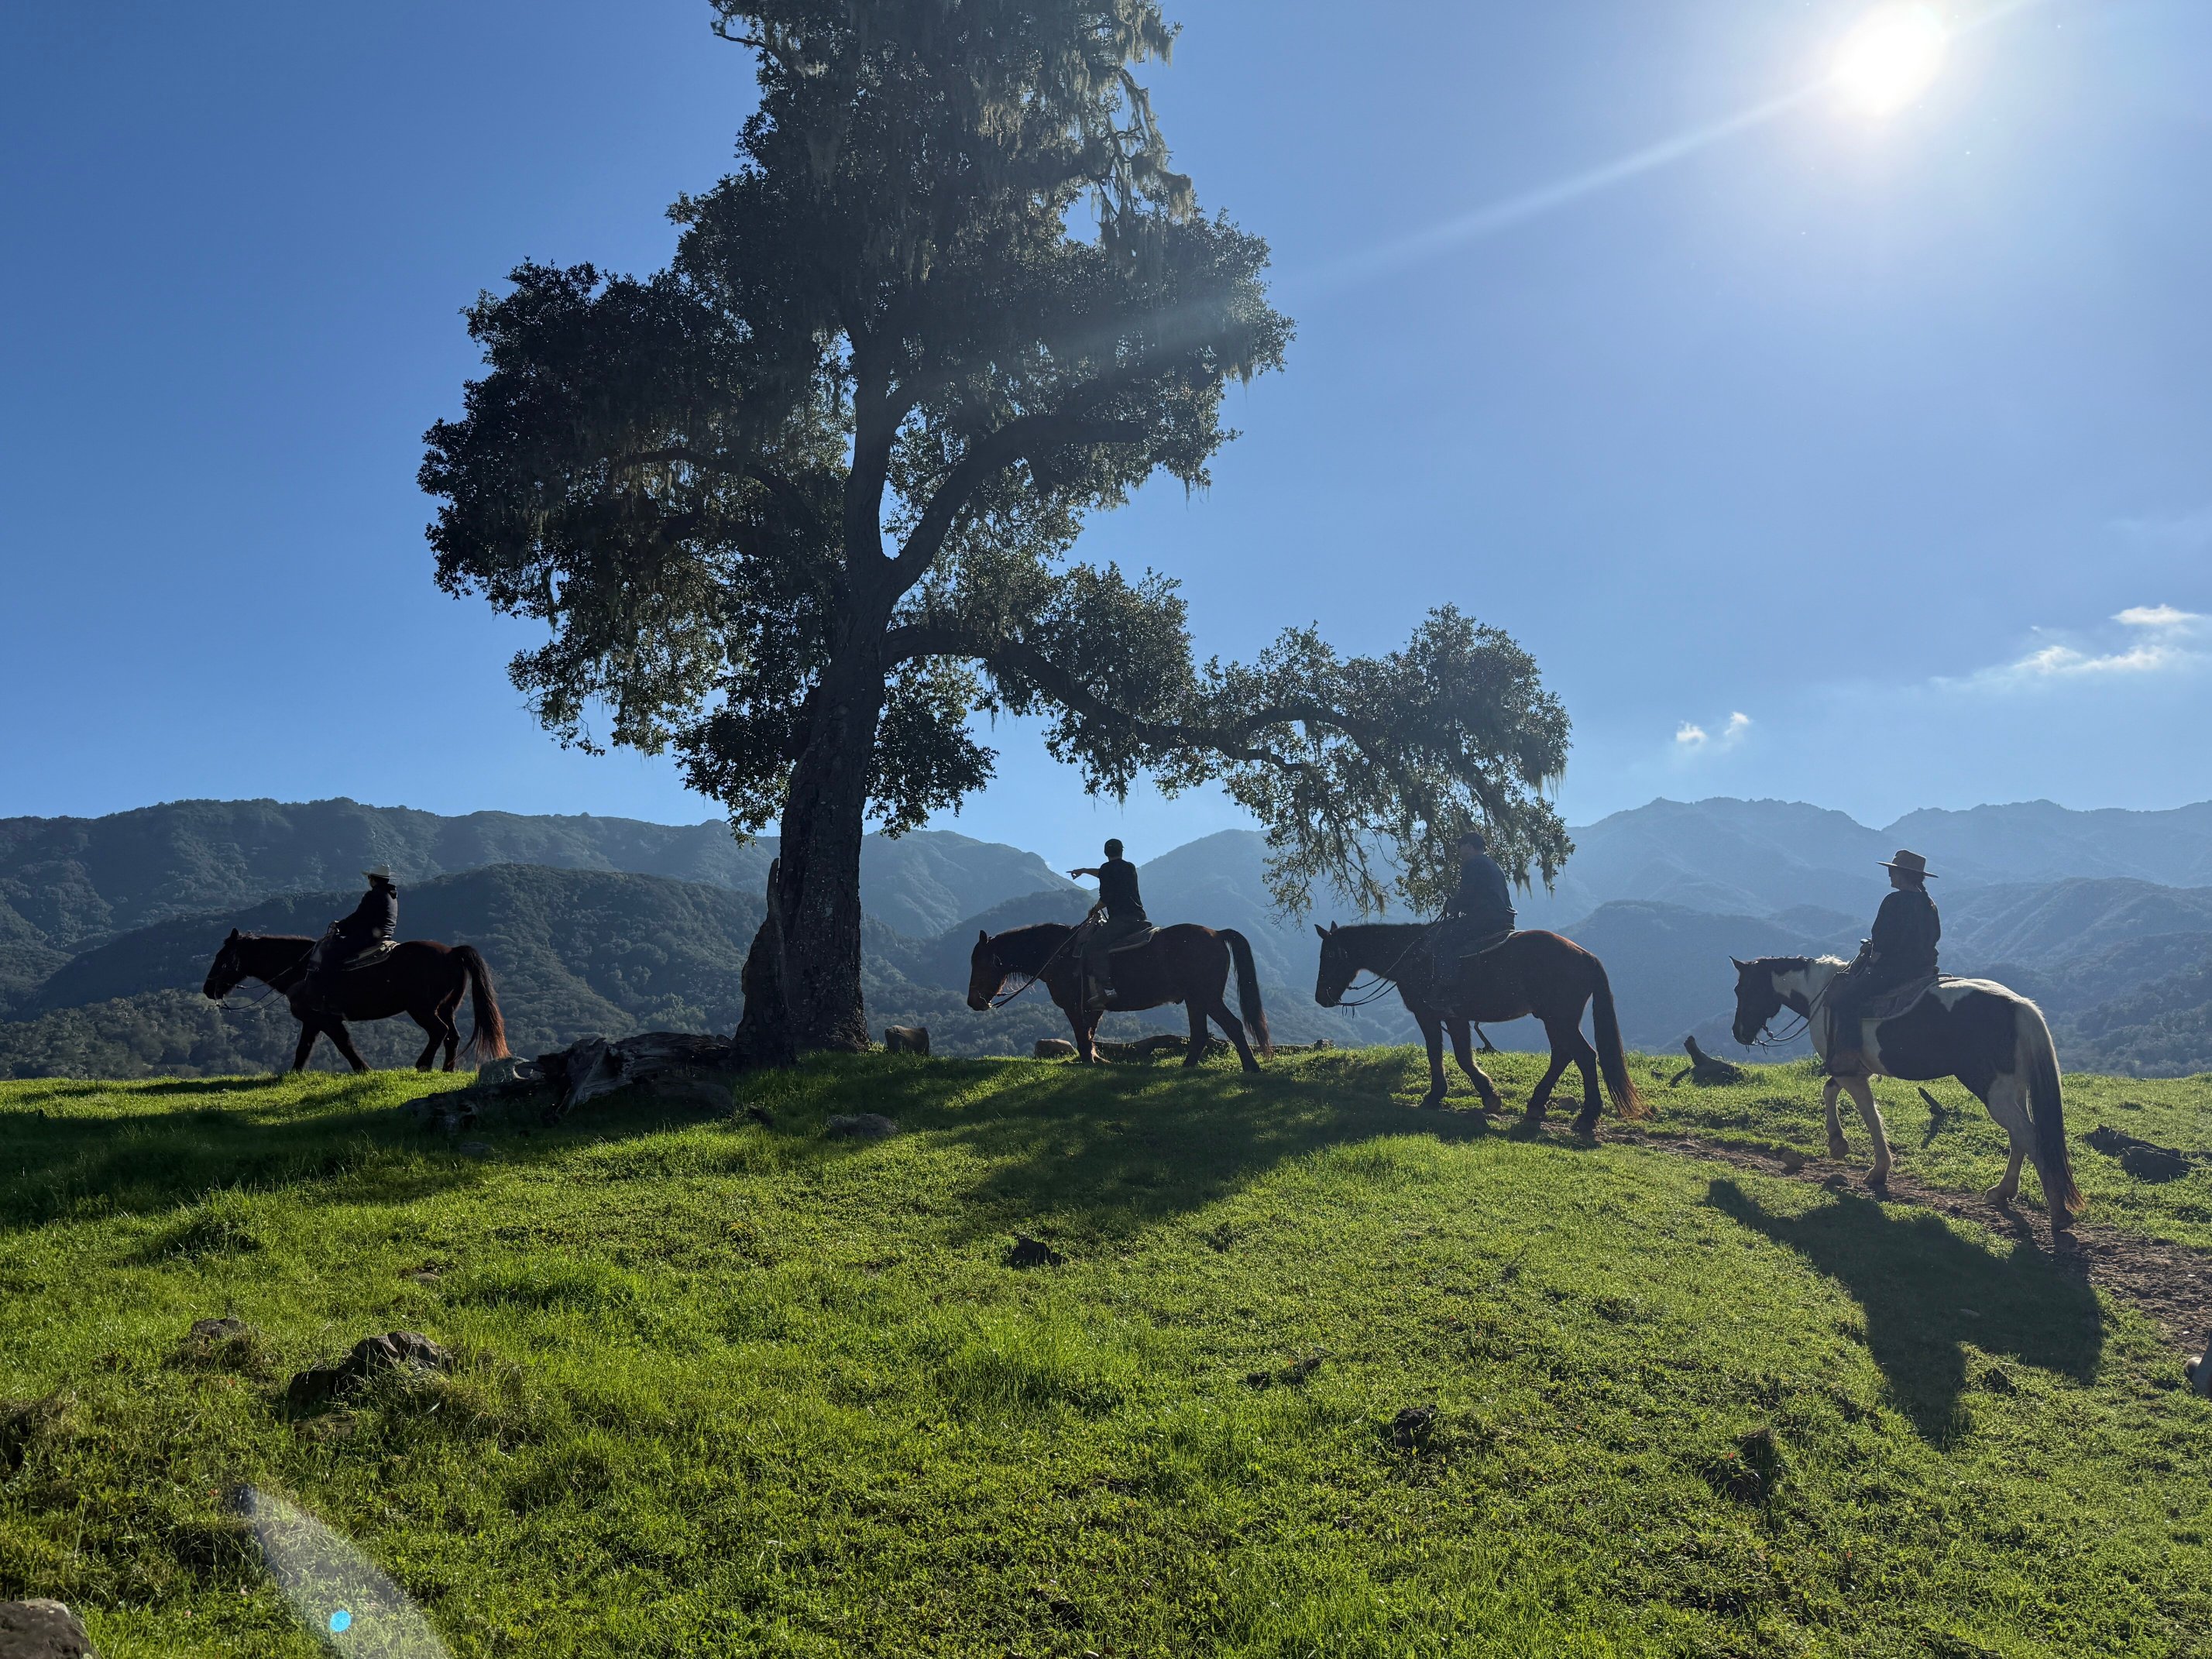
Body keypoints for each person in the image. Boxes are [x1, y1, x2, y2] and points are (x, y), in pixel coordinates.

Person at [1824, 849, 1941, 1073]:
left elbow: (1882, 941)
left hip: (1894, 970)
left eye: (1893, 871)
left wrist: (1871, 963)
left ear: (1902, 875)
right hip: (1924, 970)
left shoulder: (1894, 901)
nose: (1890, 875)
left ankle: (1849, 1056)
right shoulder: (1929, 903)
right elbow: (1934, 937)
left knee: (1846, 1002)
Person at [1066, 838, 1150, 1012]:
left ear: (1106, 853)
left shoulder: (1107, 870)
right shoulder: (1129, 867)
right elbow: (1106, 873)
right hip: (1139, 918)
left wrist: (1094, 909)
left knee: (1093, 946)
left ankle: (1107, 988)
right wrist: (1084, 871)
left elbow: (1106, 897)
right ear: (1122, 851)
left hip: (1121, 920)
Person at [304, 866, 400, 1007]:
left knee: (330, 954)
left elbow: (360, 917)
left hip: (369, 937)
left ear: (373, 879)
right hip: (385, 936)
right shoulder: (392, 895)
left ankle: (325, 997)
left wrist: (340, 926)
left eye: (369, 878)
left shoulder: (373, 895)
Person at [1434, 828, 1516, 974]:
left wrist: (1453, 905)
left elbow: (1467, 894)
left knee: (1443, 941)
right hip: (1505, 920)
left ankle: (1447, 983)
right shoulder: (1493, 864)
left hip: (1484, 920)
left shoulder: (1472, 864)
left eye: (1460, 846)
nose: (1458, 850)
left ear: (1469, 846)